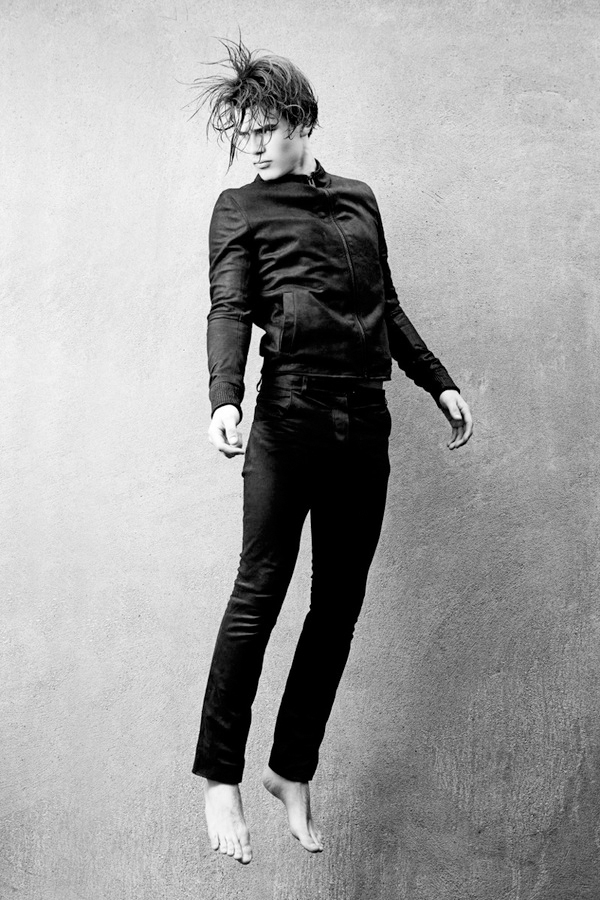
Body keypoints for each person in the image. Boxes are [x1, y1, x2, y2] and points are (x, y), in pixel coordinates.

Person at [190, 39, 473, 866]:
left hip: (364, 421)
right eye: (242, 135)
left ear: (301, 121)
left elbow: (387, 303)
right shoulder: (239, 209)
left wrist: (437, 381)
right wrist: (225, 398)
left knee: (338, 607)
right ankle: (219, 775)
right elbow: (228, 308)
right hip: (290, 418)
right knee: (259, 595)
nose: (252, 147)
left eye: (264, 131)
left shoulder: (359, 199)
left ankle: (290, 767)